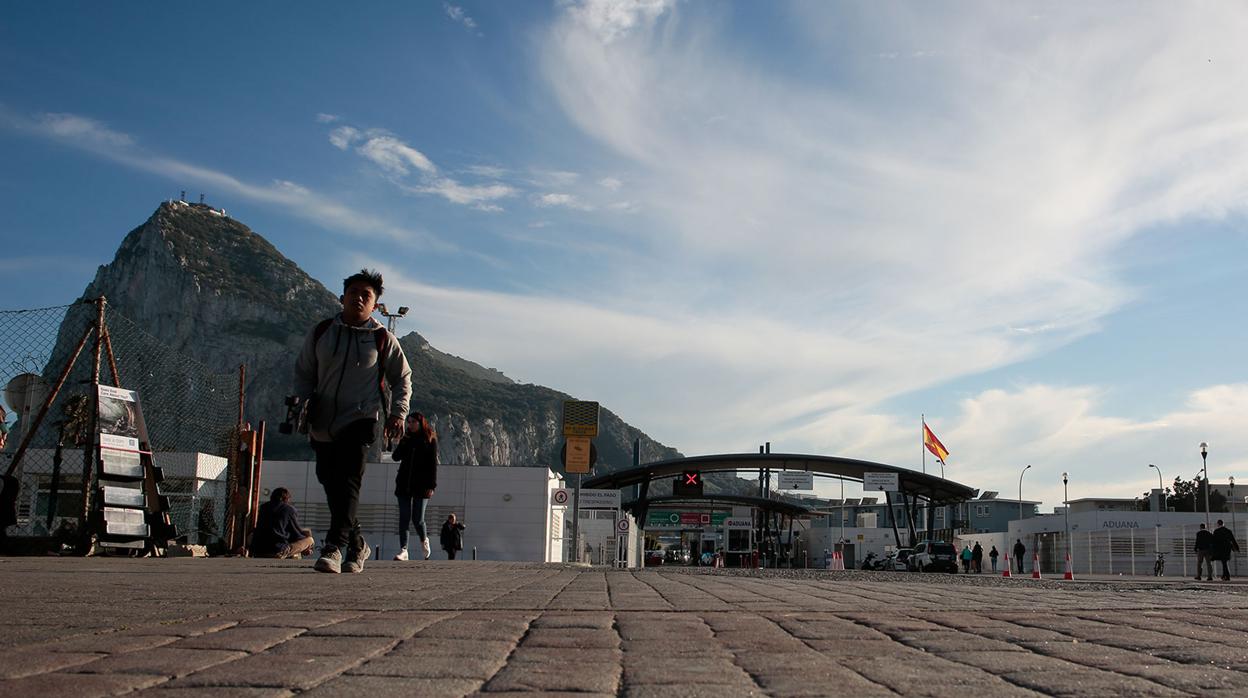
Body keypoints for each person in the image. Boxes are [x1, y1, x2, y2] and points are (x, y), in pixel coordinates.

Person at [293, 269, 412, 574]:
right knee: (330, 482)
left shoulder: (382, 338)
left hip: (361, 419)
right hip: (322, 421)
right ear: (342, 297)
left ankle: (333, 547)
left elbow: (402, 378)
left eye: (366, 295)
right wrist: (304, 404)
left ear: (374, 305)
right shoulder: (321, 332)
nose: (359, 298)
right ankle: (358, 543)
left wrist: (398, 413)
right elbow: (304, 372)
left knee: (348, 480)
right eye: (353, 292)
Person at [392, 412, 438, 561]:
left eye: (412, 422)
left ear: (420, 422)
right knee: (404, 517)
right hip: (404, 483)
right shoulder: (407, 439)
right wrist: (402, 441)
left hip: (422, 485)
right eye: (408, 422)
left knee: (417, 518)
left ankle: (424, 540)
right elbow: (395, 457)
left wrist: (432, 485)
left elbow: (432, 465)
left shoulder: (429, 439)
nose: (409, 424)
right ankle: (403, 549)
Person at [249, 488, 315, 559]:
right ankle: (294, 553)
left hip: (257, 550)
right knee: (310, 540)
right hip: (276, 551)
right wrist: (305, 547)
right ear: (286, 498)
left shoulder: (263, 507)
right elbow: (296, 534)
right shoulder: (289, 509)